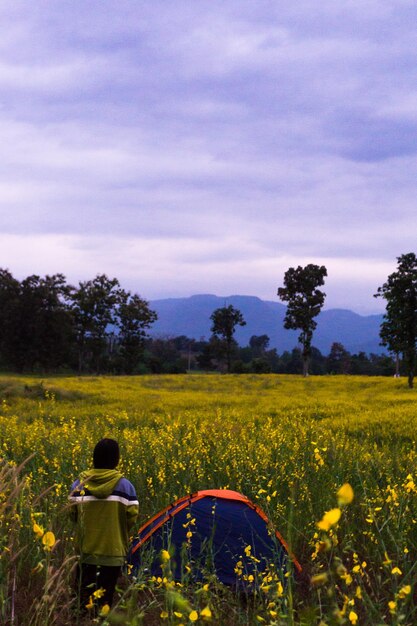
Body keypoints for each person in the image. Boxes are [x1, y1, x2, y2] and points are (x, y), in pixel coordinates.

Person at [69, 438, 139, 613]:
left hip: (86, 552)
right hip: (112, 553)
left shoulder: (78, 485)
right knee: (105, 604)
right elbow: (131, 517)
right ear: (116, 460)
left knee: (83, 602)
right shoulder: (126, 486)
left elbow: (73, 515)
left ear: (94, 457)